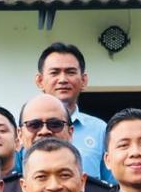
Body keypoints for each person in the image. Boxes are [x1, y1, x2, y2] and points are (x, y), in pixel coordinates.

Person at [3, 96, 116, 192]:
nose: (44, 131)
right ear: (20, 134)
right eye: (34, 125)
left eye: (55, 124)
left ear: (71, 132)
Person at [35, 42, 110, 182]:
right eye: (54, 72)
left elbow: (113, 184)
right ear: (40, 80)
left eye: (70, 72)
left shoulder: (100, 129)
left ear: (84, 80)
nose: (63, 80)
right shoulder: (26, 128)